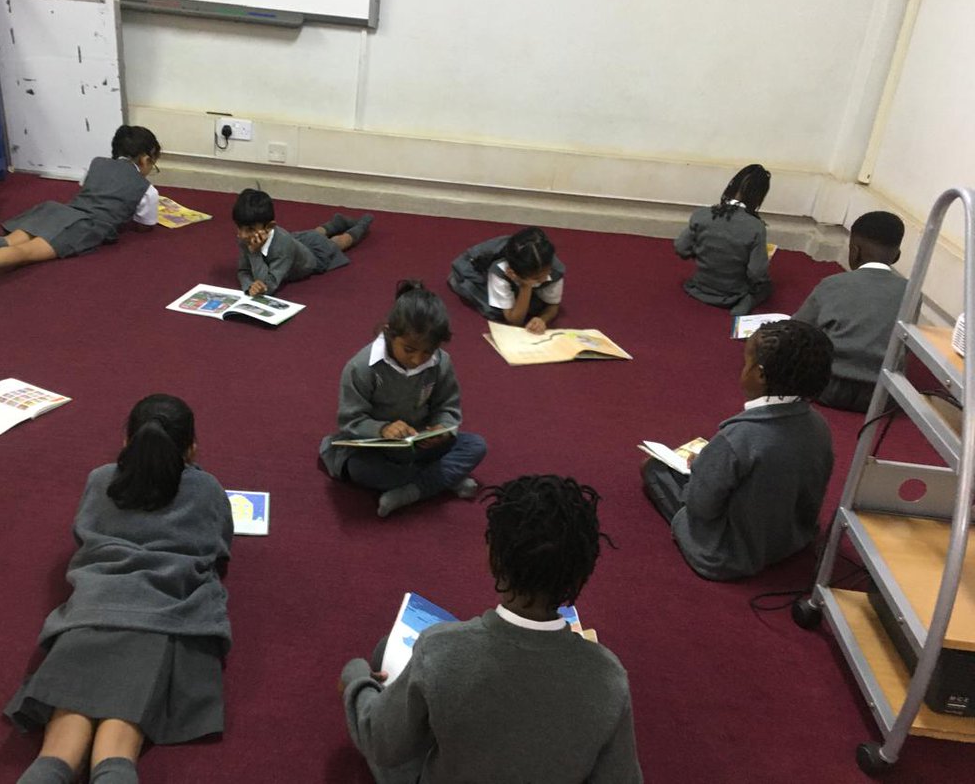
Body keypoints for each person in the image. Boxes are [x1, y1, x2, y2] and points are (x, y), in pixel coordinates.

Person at [340, 474, 642, 784]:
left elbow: (382, 743)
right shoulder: (609, 677)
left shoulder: (439, 649)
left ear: (491, 556)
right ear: (583, 575)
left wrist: (356, 679)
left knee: (383, 653)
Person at [5, 394, 233, 784]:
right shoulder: (208, 489)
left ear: (127, 441)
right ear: (192, 448)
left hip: (91, 613)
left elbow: (82, 536)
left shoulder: (98, 480)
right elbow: (219, 552)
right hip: (168, 619)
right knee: (114, 751)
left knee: (55, 752)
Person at [641, 319, 834, 580]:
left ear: (760, 374)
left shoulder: (737, 437)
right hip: (792, 539)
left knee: (653, 469)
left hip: (728, 555)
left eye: (746, 362)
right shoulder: (819, 425)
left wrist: (702, 469)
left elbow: (701, 506)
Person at [319, 281, 487, 517]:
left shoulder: (441, 362)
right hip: (377, 449)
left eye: (427, 352)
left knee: (476, 446)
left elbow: (447, 406)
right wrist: (383, 429)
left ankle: (411, 491)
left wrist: (443, 429)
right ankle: (440, 479)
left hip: (418, 443)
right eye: (408, 350)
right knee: (362, 470)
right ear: (389, 331)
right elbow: (351, 421)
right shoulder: (362, 367)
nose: (418, 359)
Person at [0, 126, 162, 287]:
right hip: (84, 226)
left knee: (5, 241)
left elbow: (86, 186)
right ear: (145, 159)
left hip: (57, 211)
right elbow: (145, 225)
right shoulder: (146, 189)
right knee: (25, 253)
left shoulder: (97, 163)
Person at [792, 211, 907, 412]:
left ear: (854, 251)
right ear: (897, 255)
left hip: (826, 388)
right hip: (882, 398)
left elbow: (799, 329)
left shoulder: (832, 284)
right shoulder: (912, 292)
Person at [232, 187, 373, 296]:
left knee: (339, 242)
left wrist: (255, 253)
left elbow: (269, 284)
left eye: (250, 229)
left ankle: (363, 223)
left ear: (269, 227)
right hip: (298, 242)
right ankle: (337, 222)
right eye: (239, 228)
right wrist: (250, 286)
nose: (242, 235)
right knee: (314, 234)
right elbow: (243, 270)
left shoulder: (283, 245)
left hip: (313, 256)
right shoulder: (247, 237)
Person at [674, 164, 772, 316]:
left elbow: (681, 247)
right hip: (732, 293)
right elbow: (756, 272)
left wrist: (702, 252)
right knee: (766, 286)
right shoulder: (756, 227)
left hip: (699, 286)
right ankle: (746, 302)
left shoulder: (702, 215)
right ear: (759, 196)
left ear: (731, 186)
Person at [448, 226, 564, 333]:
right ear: (513, 273)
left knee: (536, 306)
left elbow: (553, 305)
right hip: (476, 268)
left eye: (547, 272)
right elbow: (515, 321)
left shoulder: (554, 269)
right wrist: (526, 287)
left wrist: (542, 319)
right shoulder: (500, 270)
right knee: (495, 311)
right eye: (537, 278)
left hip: (521, 273)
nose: (544, 278)